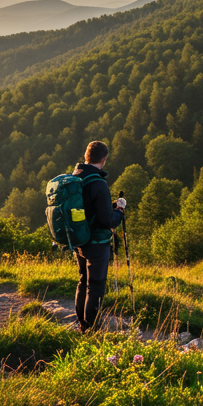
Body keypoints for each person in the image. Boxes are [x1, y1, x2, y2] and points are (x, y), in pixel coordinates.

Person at [72, 141, 117, 333]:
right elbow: (107, 220)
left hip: (79, 239)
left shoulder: (75, 177)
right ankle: (90, 329)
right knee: (96, 285)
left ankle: (81, 323)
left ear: (86, 156)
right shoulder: (98, 182)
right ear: (104, 159)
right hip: (97, 242)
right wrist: (120, 211)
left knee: (83, 280)